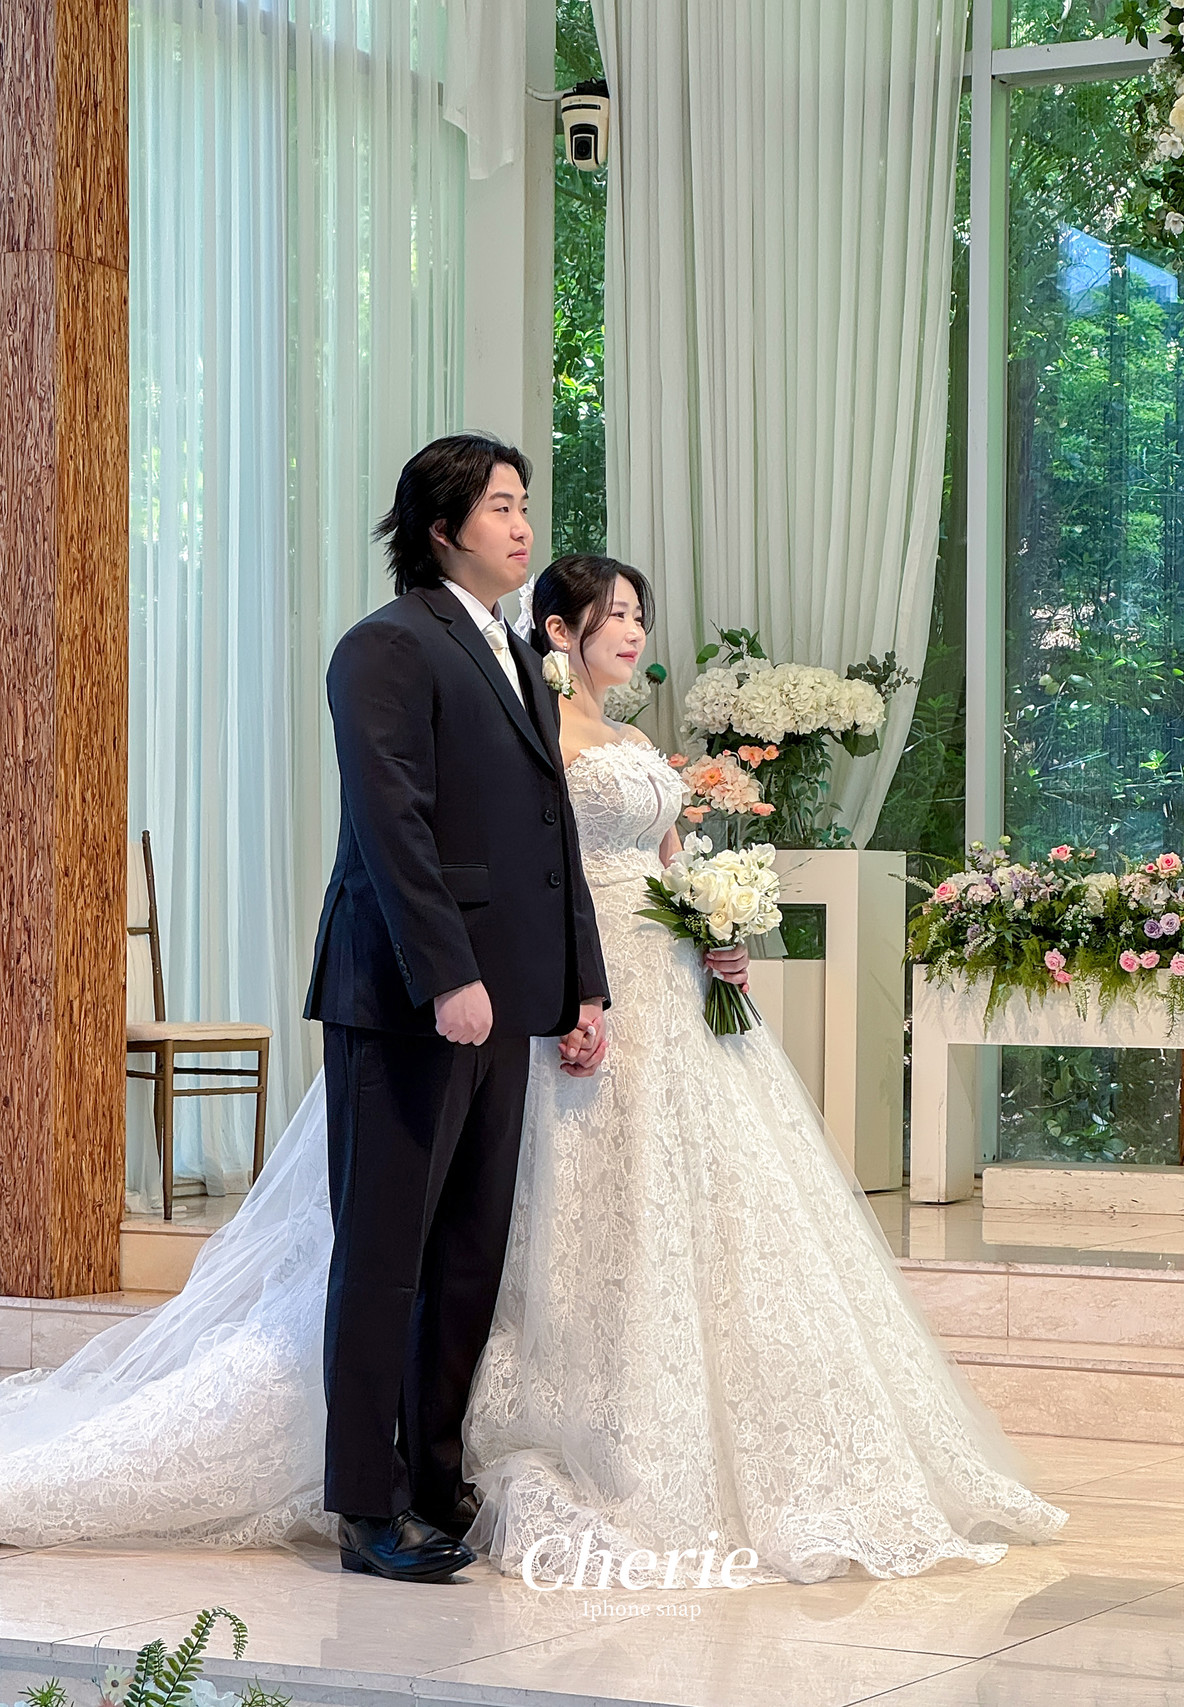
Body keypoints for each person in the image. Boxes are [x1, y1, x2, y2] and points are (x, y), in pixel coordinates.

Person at [0, 554, 1065, 1582]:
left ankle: (502, 1449)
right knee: (493, 1224)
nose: (633, 631)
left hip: (645, 976)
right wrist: (558, 989)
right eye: (615, 614)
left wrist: (715, 925)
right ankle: (407, 1466)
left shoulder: (631, 736)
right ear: (561, 630)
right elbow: (502, 851)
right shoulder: (516, 710)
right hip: (529, 983)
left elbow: (659, 861)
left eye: (640, 615)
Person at [301, 435, 610, 1583]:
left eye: (524, 505)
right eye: (499, 507)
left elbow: (548, 834)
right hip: (405, 996)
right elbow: (391, 825)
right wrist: (445, 974)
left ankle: (434, 1478)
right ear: (441, 529)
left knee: (468, 1256)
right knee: (385, 1255)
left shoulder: (519, 655)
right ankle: (365, 1505)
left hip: (509, 994)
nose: (522, 527)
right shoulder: (384, 646)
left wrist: (581, 980)